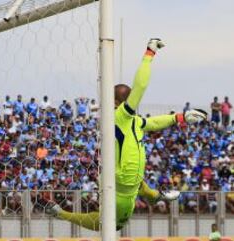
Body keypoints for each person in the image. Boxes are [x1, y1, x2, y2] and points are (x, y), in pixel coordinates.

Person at [47, 38, 207, 231]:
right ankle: (61, 213)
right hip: (121, 187)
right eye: (128, 100)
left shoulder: (133, 120)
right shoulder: (120, 115)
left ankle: (155, 195)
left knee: (119, 215)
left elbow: (154, 122)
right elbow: (139, 88)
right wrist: (149, 54)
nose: (133, 103)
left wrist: (181, 117)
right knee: (110, 225)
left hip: (131, 184)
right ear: (118, 103)